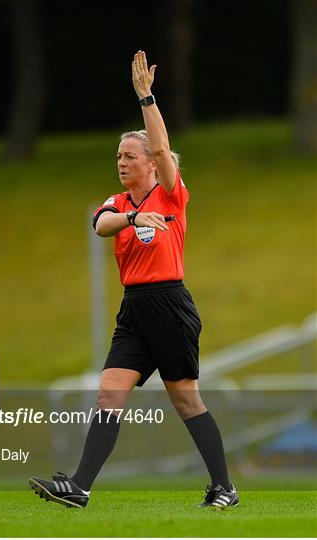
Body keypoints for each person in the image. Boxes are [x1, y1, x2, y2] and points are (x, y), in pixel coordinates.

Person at [29, 51, 238, 509]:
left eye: (129, 156)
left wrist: (146, 97)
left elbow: (163, 149)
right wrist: (134, 217)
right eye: (118, 156)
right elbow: (102, 226)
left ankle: (224, 487)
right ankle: (81, 487)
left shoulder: (170, 193)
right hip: (135, 309)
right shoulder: (119, 203)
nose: (121, 162)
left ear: (149, 163)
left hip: (169, 305)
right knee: (109, 393)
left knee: (185, 400)